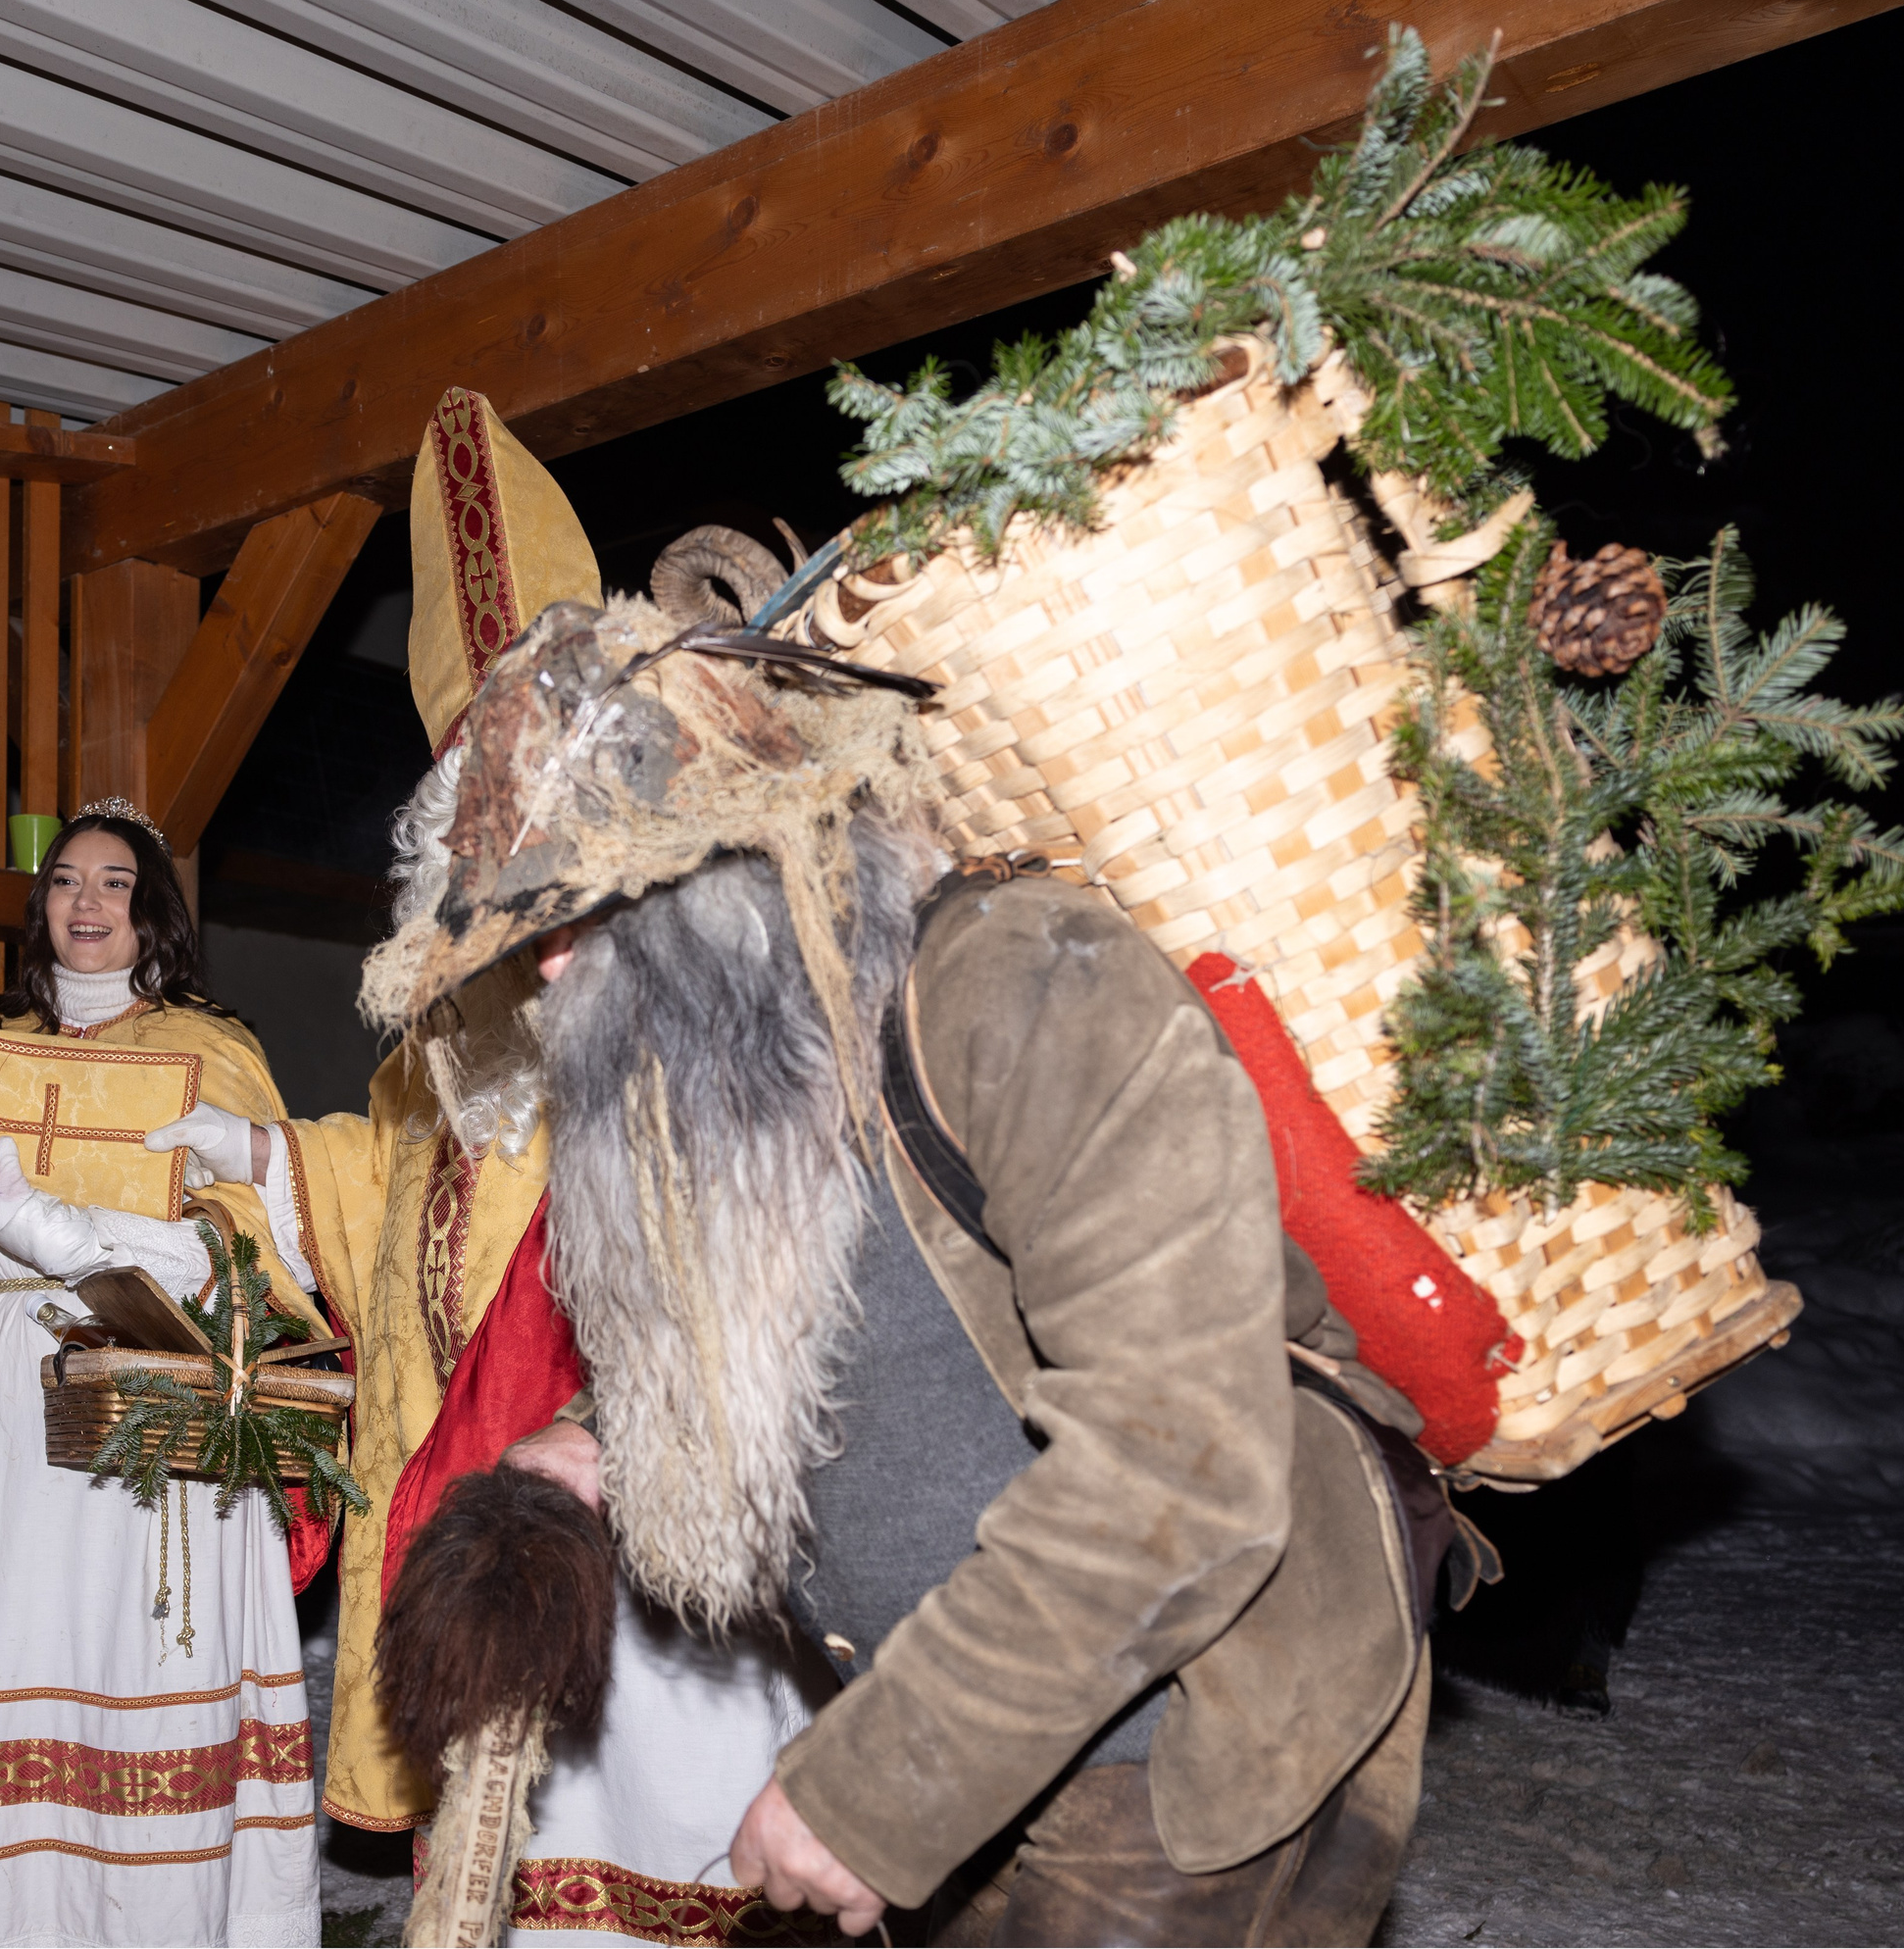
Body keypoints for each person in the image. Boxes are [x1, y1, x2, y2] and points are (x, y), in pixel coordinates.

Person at [353, 592, 1438, 1947]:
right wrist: (598, 1436)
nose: (551, 973)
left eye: (570, 920)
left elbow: (1182, 1460)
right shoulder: (743, 1065)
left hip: (1189, 1730)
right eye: (530, 940)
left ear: (721, 868)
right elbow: (796, 1313)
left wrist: (876, 1790)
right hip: (946, 1730)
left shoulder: (1028, 982)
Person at [152, 387, 831, 1944]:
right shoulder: (444, 1028)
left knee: (683, 1833)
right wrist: (265, 1151)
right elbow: (394, 1192)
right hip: (482, 1504)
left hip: (648, 1508)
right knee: (505, 1869)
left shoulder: (687, 968)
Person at [0, 803, 326, 1949]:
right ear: (39, 907)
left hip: (153, 1383)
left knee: (146, 1664)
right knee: (10, 1647)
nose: (87, 902)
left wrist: (71, 1232)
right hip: (11, 1407)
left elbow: (256, 1258)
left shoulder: (210, 1054)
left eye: (115, 882)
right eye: (65, 880)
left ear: (151, 911)